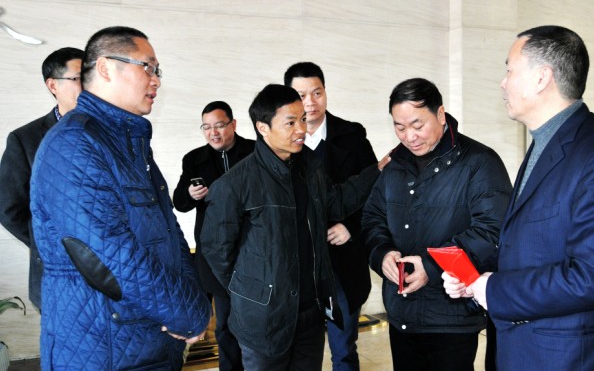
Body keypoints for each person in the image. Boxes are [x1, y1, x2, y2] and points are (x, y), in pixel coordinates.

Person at [443, 25, 594, 370]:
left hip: (569, 356)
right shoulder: (546, 143)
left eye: (510, 70)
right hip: (528, 348)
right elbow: (535, 246)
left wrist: (495, 289)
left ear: (542, 78)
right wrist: (477, 281)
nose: (503, 83)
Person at [30, 26, 211, 370]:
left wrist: (192, 299)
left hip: (147, 339)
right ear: (105, 68)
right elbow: (109, 256)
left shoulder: (128, 143)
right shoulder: (75, 144)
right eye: (148, 67)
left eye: (158, 71)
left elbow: (169, 232)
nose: (156, 80)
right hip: (103, 348)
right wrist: (189, 312)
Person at [201, 84, 389, 371]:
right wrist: (253, 292)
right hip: (264, 320)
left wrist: (377, 170)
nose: (301, 129)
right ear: (263, 128)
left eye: (302, 119)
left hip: (309, 315)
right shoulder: (234, 185)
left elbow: (336, 203)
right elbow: (217, 250)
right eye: (290, 123)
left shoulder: (310, 169)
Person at [362, 77, 512, 371]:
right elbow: (372, 218)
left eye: (417, 125)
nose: (409, 137)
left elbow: (491, 231)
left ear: (440, 115)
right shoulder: (395, 165)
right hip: (402, 313)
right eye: (400, 127)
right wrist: (382, 253)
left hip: (451, 316)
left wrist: (431, 267)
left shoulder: (479, 162)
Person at [284, 62, 376, 371]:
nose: (310, 102)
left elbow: (373, 192)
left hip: (341, 260)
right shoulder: (280, 141)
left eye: (317, 93)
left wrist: (351, 227)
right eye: (301, 95)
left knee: (343, 346)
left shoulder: (352, 137)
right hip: (298, 264)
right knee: (300, 349)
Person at [0, 47, 84, 310]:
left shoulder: (114, 133)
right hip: (57, 280)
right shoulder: (26, 139)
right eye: (79, 78)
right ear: (53, 85)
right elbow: (8, 207)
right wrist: (47, 244)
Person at [173, 100, 254, 371]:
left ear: (233, 124)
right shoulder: (194, 159)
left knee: (256, 322)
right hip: (215, 254)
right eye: (206, 127)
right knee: (225, 325)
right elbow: (179, 202)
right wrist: (190, 194)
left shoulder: (256, 152)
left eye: (219, 125)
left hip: (253, 249)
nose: (213, 133)